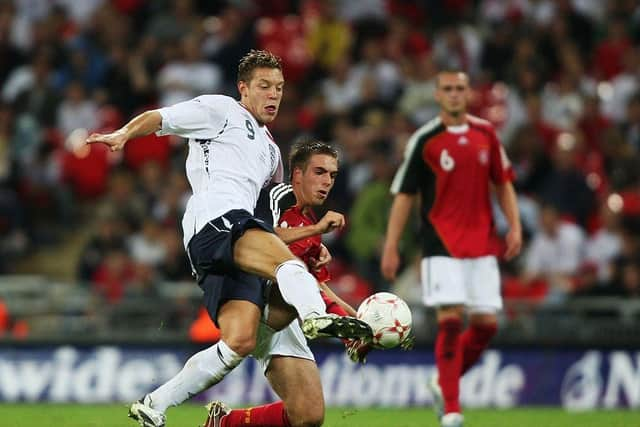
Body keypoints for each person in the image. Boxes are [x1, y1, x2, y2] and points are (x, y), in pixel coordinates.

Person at [86, 50, 371, 427]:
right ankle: (315, 317)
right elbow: (162, 118)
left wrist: (310, 246)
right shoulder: (221, 110)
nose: (274, 95)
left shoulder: (272, 154)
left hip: (238, 238)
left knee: (244, 347)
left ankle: (155, 404)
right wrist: (125, 133)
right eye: (264, 86)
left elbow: (271, 219)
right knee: (286, 266)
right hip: (216, 217)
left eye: (280, 88)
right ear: (244, 89)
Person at [380, 70, 522, 427]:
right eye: (448, 89)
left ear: (469, 93)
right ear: (437, 94)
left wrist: (515, 226)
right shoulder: (425, 140)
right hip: (440, 244)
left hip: (482, 243)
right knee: (451, 320)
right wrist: (391, 246)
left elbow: (503, 183)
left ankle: (443, 382)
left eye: (460, 88)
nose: (455, 94)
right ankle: (453, 411)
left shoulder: (486, 134)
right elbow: (404, 195)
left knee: (487, 325)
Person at [203, 140, 364, 427]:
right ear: (298, 174)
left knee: (308, 415)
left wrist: (358, 326)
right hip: (252, 299)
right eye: (320, 172)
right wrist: (313, 231)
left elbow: (318, 288)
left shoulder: (310, 224)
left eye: (332, 175)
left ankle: (224, 423)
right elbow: (256, 238)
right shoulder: (273, 196)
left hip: (283, 313)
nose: (327, 181)